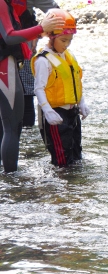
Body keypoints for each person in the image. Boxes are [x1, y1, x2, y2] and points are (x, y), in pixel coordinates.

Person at [0, 0, 63, 172]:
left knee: (5, 125)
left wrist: (38, 32)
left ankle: (6, 182)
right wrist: (41, 28)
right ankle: (12, 182)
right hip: (4, 68)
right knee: (13, 126)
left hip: (7, 66)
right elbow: (9, 36)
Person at [31, 8, 90, 167]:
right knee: (62, 162)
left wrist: (82, 103)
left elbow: (76, 81)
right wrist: (48, 111)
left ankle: (74, 189)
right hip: (55, 114)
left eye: (69, 40)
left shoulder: (69, 56)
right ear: (51, 36)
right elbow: (39, 89)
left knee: (77, 158)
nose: (66, 44)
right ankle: (60, 189)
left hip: (73, 112)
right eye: (63, 40)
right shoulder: (44, 61)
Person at [18, 0, 60, 127]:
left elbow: (56, 13)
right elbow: (57, 12)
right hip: (24, 42)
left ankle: (27, 138)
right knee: (26, 94)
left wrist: (39, 31)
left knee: (26, 94)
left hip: (24, 45)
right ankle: (27, 139)